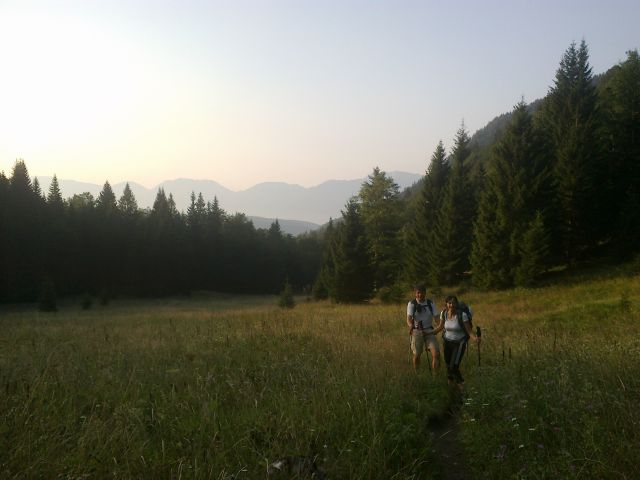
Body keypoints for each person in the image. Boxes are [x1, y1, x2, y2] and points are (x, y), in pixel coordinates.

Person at [440, 295, 480, 391]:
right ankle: (451, 388)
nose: (451, 305)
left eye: (453, 303)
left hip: (459, 344)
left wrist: (475, 339)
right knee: (448, 365)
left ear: (456, 304)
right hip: (447, 342)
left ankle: (462, 387)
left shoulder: (462, 315)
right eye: (449, 303)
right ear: (446, 304)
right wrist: (427, 333)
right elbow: (440, 327)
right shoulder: (444, 313)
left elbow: (469, 331)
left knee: (454, 366)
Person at [406, 284, 440, 373]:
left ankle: (435, 376)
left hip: (429, 330)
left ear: (425, 293)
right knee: (417, 354)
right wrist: (410, 326)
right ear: (415, 293)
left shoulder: (430, 303)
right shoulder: (412, 304)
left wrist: (441, 326)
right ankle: (417, 373)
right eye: (418, 293)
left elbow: (436, 317)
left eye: (422, 293)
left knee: (436, 354)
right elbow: (409, 318)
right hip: (417, 331)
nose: (420, 295)